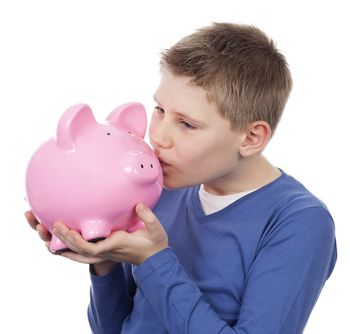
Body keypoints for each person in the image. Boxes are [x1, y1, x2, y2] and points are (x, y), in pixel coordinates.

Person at [25, 22, 337, 334]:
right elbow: (115, 328)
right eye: (160, 109)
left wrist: (153, 260)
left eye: (186, 124)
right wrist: (105, 261)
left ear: (251, 138)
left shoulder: (300, 222)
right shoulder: (158, 192)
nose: (158, 136)